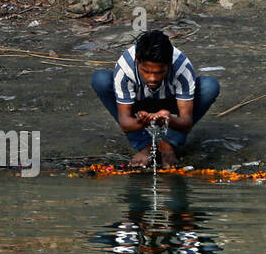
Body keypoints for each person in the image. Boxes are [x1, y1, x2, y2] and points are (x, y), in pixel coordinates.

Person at [90, 29, 219, 168]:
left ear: (169, 64)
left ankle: (168, 145)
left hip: (171, 101)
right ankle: (144, 146)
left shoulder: (182, 68)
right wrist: (144, 122)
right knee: (101, 79)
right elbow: (125, 122)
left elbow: (186, 122)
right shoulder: (125, 68)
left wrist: (170, 119)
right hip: (138, 101)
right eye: (146, 71)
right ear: (137, 62)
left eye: (159, 72)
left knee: (209, 86)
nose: (152, 79)